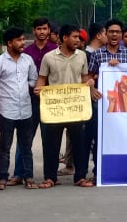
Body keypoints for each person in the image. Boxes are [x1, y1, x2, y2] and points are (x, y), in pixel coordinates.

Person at [34, 25, 90, 189]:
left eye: (79, 38)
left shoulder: (82, 56)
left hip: (76, 107)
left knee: (79, 144)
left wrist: (89, 84)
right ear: (64, 38)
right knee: (51, 144)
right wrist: (39, 89)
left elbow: (84, 78)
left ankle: (80, 177)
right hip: (55, 108)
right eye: (75, 37)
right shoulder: (49, 57)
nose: (78, 41)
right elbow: (42, 79)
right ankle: (50, 177)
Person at [0, 26, 39, 190]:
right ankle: (3, 178)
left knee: (26, 146)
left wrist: (24, 91)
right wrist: (3, 95)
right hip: (7, 111)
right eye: (19, 40)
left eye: (23, 39)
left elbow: (33, 79)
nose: (23, 43)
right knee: (5, 146)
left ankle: (28, 177)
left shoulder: (28, 60)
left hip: (26, 110)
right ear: (9, 43)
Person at [86, 18, 127, 186]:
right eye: (111, 32)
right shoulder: (97, 54)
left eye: (118, 32)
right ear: (105, 34)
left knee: (123, 135)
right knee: (99, 138)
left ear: (121, 35)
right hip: (102, 104)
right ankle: (98, 172)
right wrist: (92, 88)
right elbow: (90, 76)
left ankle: (124, 171)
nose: (114, 35)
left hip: (123, 105)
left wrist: (120, 67)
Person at [16, 17, 57, 184]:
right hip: (30, 99)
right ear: (34, 31)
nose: (42, 32)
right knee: (25, 138)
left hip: (51, 101)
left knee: (50, 139)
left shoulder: (56, 50)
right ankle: (19, 173)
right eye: (39, 29)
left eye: (45, 29)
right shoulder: (26, 52)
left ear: (49, 31)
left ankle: (50, 175)